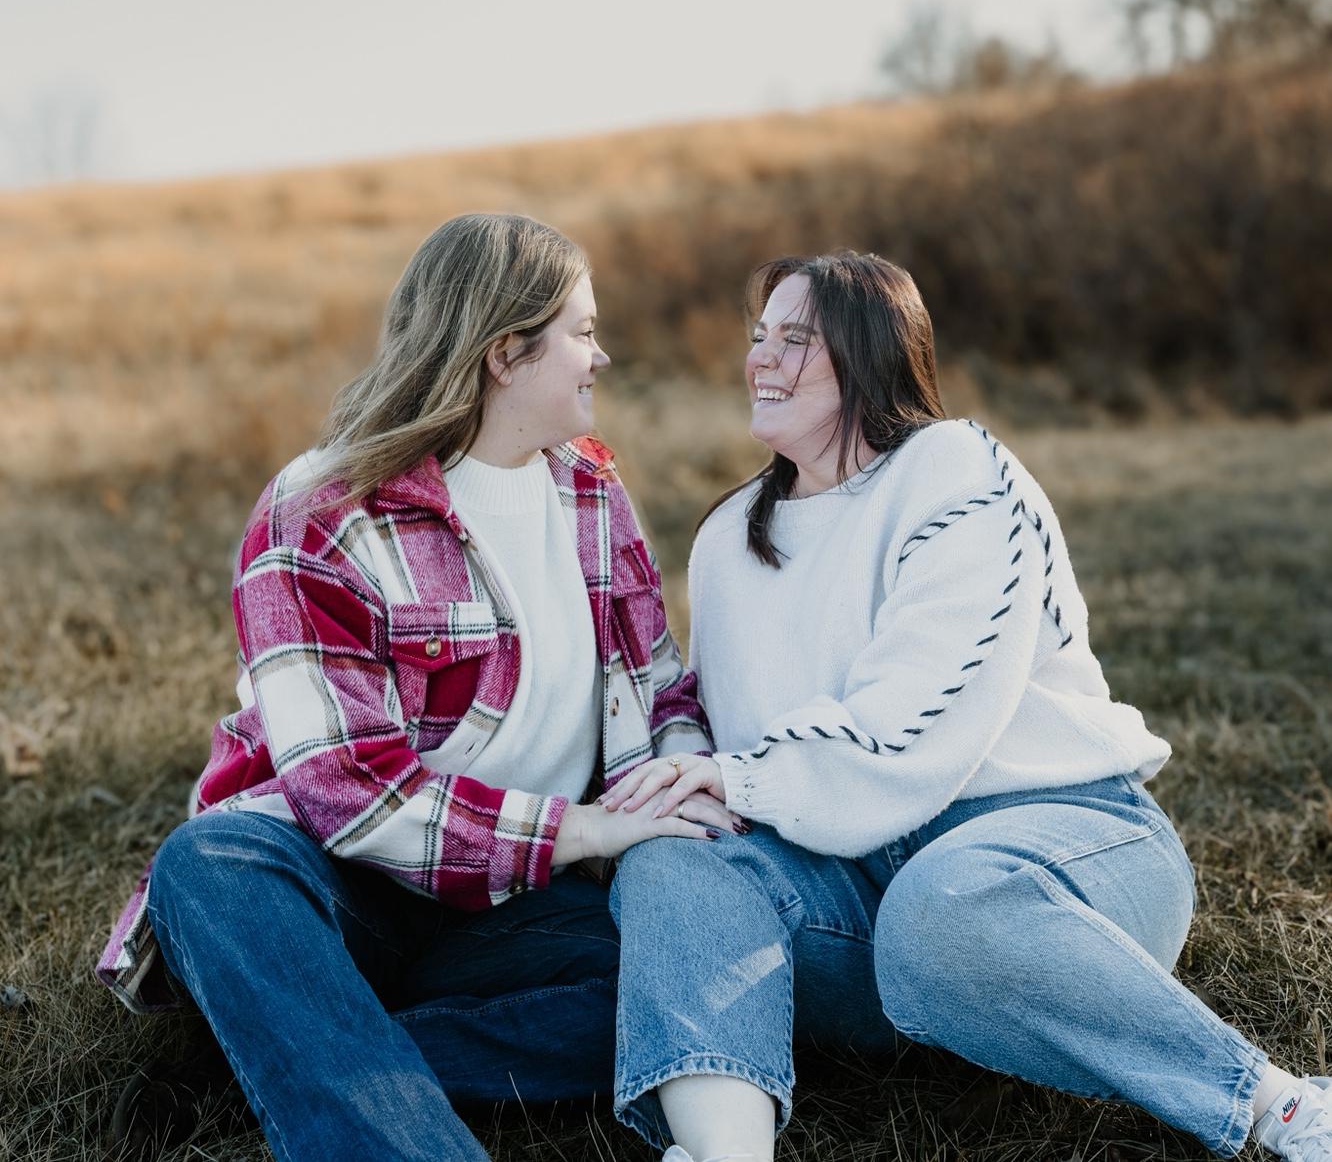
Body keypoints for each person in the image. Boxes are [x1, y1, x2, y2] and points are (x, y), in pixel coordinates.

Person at [600, 250, 1331, 1162]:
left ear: (870, 353)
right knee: (674, 863)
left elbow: (915, 722)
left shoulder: (957, 471)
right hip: (861, 903)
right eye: (759, 337)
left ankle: (1275, 1104)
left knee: (939, 910)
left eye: (796, 339)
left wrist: (734, 776)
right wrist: (681, 773)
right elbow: (724, 730)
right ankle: (726, 1153)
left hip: (1055, 852)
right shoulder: (726, 536)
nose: (761, 359)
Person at [96, 212, 735, 1162]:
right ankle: (335, 1062)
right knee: (210, 865)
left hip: (519, 907)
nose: (602, 356)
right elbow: (348, 793)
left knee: (705, 979)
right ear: (505, 354)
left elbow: (662, 684)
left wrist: (674, 786)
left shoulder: (593, 495)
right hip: (345, 890)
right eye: (583, 332)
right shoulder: (322, 511)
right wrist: (582, 829)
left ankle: (302, 1056)